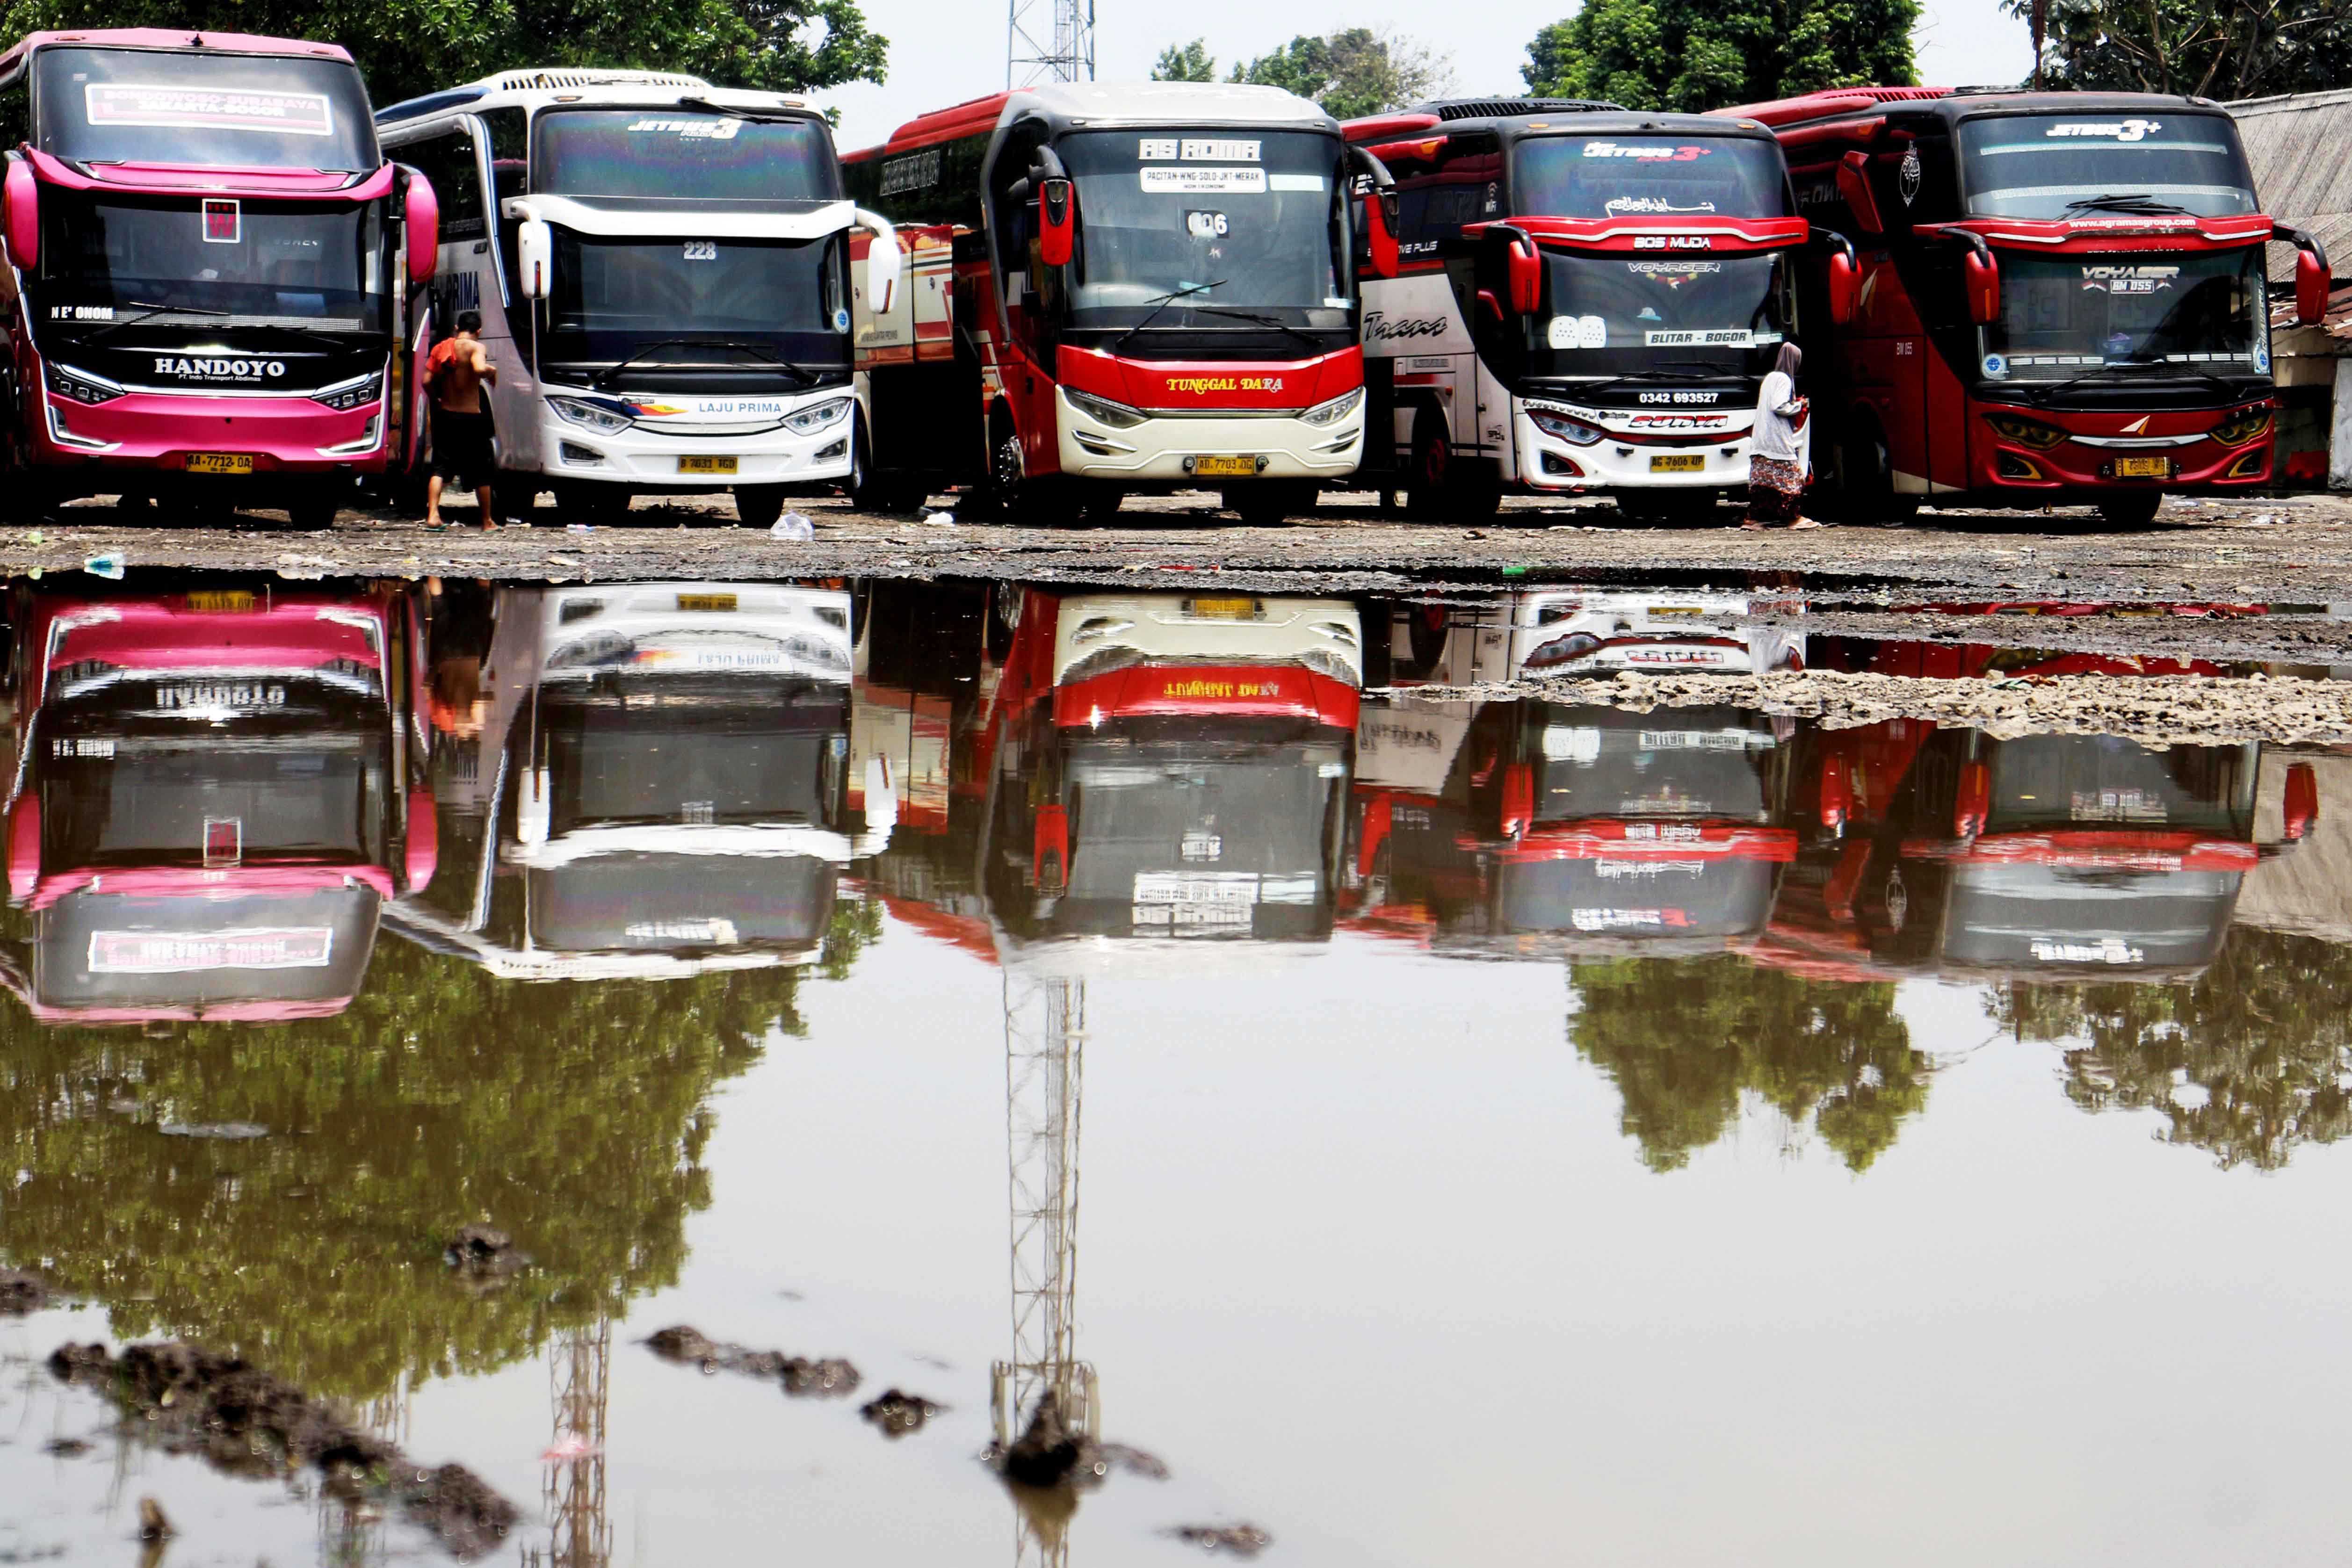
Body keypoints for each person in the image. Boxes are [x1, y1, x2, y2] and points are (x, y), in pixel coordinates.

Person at [422, 311, 498, 529]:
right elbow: (479, 369)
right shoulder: (477, 348)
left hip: (446, 415)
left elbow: (426, 380)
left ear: (457, 328)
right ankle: (487, 521)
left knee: (440, 468)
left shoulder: (441, 348)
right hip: (471, 418)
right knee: (482, 472)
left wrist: (436, 399)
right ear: (479, 331)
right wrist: (492, 370)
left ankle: (433, 515)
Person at [1744, 341, 1819, 530]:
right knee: (1793, 479)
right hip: (1777, 442)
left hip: (1761, 441)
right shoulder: (1784, 380)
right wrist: (1800, 405)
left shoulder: (1770, 378)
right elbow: (1779, 406)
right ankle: (1793, 518)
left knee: (1763, 483)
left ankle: (1754, 519)